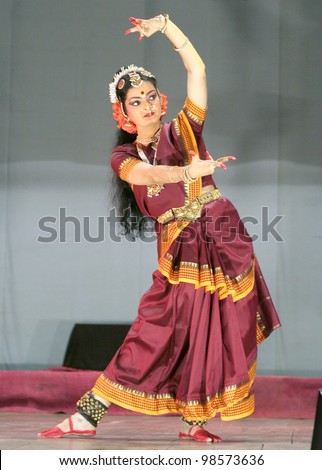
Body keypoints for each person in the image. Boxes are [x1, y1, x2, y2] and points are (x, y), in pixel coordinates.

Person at [38, 14, 280, 443]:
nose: (147, 105)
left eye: (151, 95)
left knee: (214, 328)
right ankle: (88, 412)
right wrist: (191, 170)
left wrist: (167, 27)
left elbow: (198, 70)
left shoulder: (185, 128)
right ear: (122, 110)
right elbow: (148, 178)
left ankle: (193, 423)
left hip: (221, 232)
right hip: (179, 245)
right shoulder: (122, 156)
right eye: (136, 101)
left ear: (161, 98)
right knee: (157, 329)